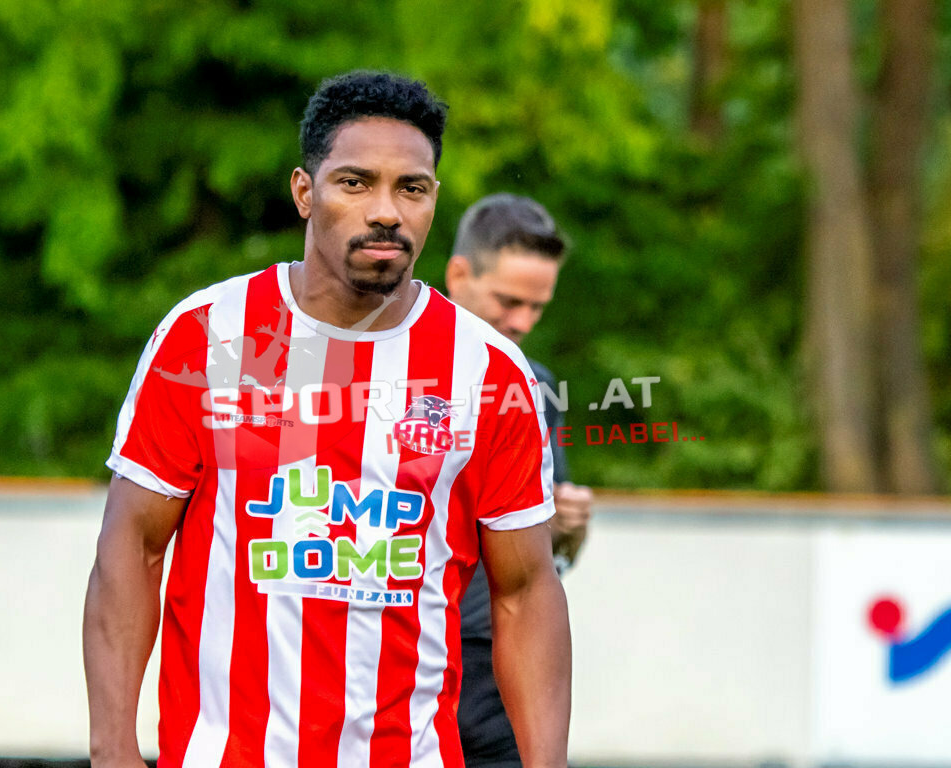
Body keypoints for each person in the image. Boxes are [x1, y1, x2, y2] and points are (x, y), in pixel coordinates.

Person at [83, 72, 571, 768]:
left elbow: (525, 591)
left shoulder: (488, 370)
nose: (387, 212)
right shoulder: (209, 335)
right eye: (355, 183)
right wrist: (112, 750)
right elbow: (133, 546)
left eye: (412, 188)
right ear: (305, 191)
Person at [444, 193, 593, 768]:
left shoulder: (536, 385)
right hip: (402, 657)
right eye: (509, 301)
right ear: (460, 275)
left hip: (500, 670)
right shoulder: (385, 371)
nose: (523, 322)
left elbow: (549, 556)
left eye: (538, 307)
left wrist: (569, 528)